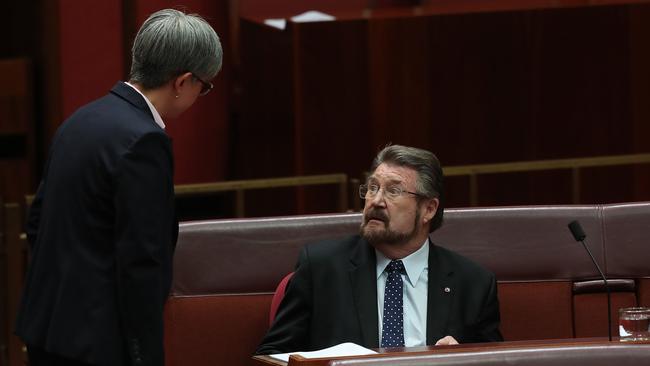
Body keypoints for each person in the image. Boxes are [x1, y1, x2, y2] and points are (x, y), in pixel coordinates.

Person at [15, 9, 223, 366]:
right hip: (99, 344)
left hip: (46, 329)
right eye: (203, 87)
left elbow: (37, 224)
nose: (198, 95)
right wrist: (146, 355)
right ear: (182, 81)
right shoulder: (144, 140)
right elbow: (141, 261)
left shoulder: (80, 120)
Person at [256, 145, 502, 354]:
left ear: (428, 209)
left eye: (393, 191)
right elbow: (272, 356)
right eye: (372, 188)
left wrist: (464, 359)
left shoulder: (473, 283)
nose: (376, 200)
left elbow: (497, 360)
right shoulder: (322, 269)